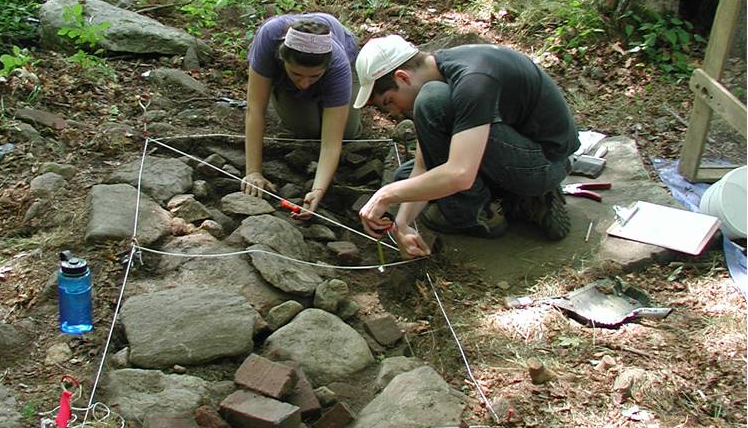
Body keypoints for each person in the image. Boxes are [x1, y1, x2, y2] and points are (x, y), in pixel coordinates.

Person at [354, 35, 579, 257]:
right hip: (514, 148)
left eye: (389, 101)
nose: (393, 112)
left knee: (431, 109)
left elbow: (460, 174)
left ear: (402, 78)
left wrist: (385, 195)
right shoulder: (444, 70)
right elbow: (424, 165)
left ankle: (493, 211)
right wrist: (402, 224)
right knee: (406, 177)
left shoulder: (472, 80)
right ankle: (511, 199)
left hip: (544, 163)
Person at [241, 13, 361, 218]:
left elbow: (331, 143)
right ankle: (289, 92)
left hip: (341, 61)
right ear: (282, 59)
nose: (305, 82)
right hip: (283, 77)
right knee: (306, 129)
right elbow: (255, 110)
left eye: (314, 76)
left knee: (348, 133)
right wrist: (253, 171)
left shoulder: (338, 64)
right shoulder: (268, 40)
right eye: (297, 74)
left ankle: (320, 88)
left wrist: (317, 191)